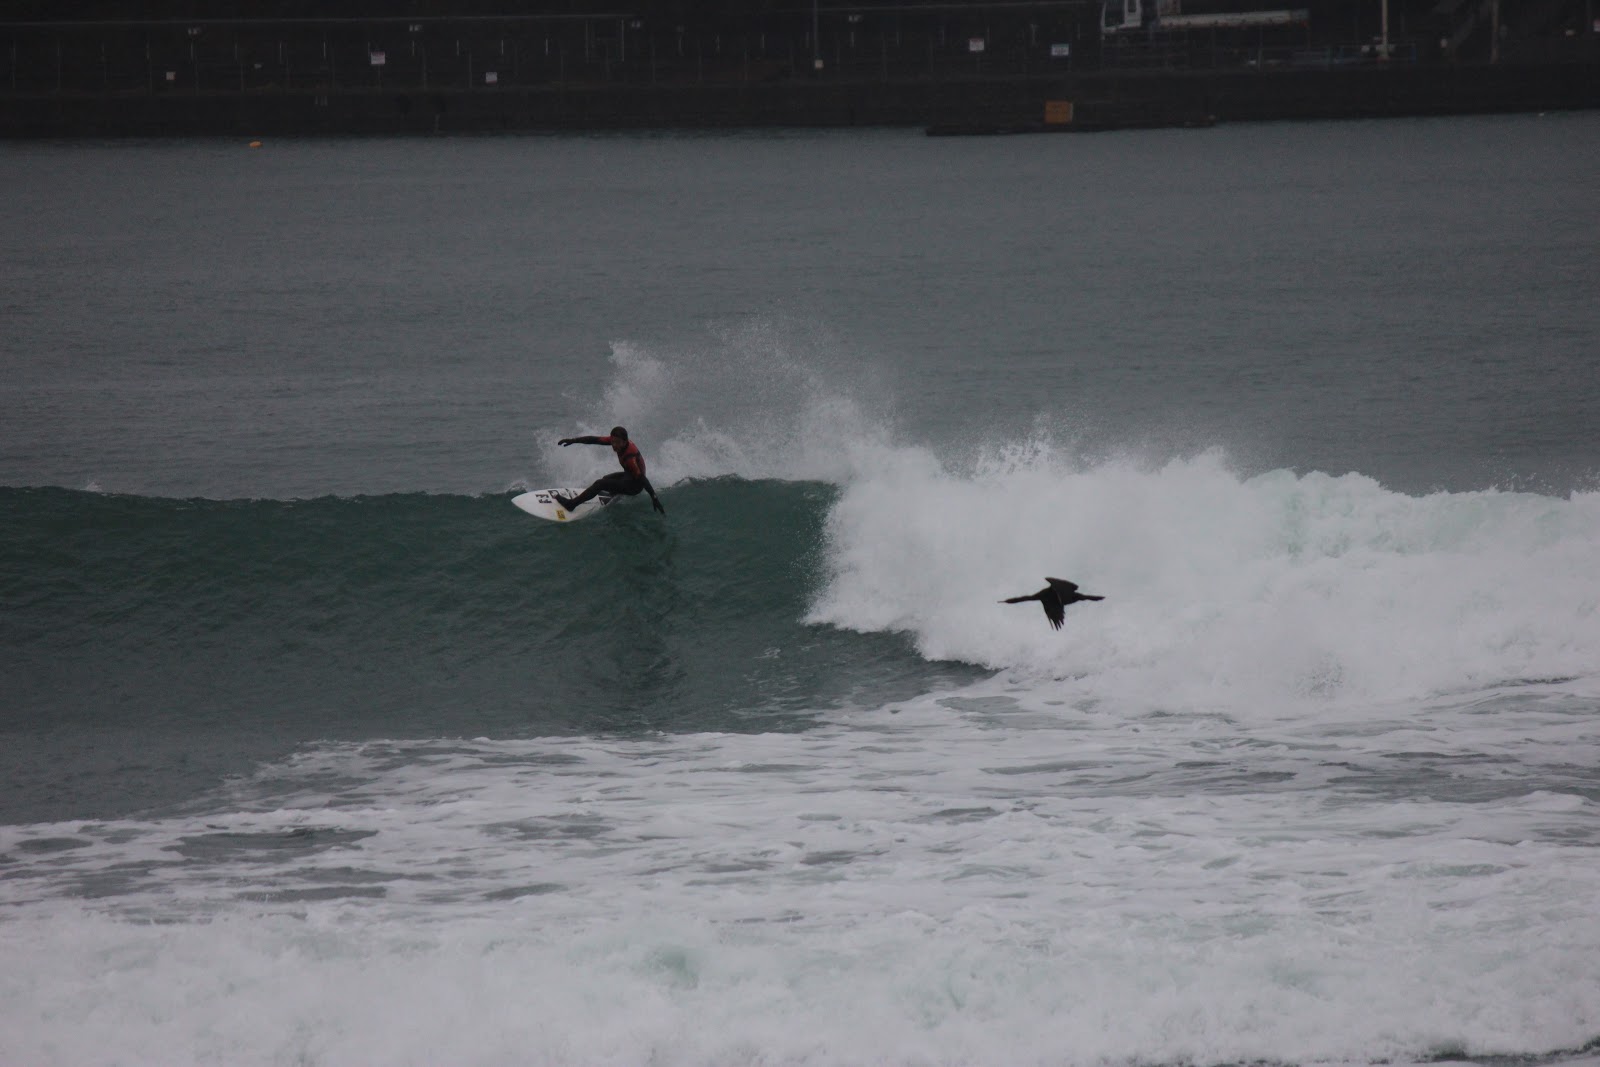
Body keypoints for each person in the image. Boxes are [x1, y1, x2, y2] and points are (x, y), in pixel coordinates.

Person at [554, 426, 665, 514]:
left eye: (617, 442)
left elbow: (642, 478)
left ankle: (571, 505)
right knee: (606, 479)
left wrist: (654, 497)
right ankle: (615, 494)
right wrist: (573, 440)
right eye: (612, 441)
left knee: (599, 484)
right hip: (629, 476)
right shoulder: (619, 442)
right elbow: (594, 440)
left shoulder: (630, 457)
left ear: (625, 441)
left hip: (635, 486)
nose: (614, 445)